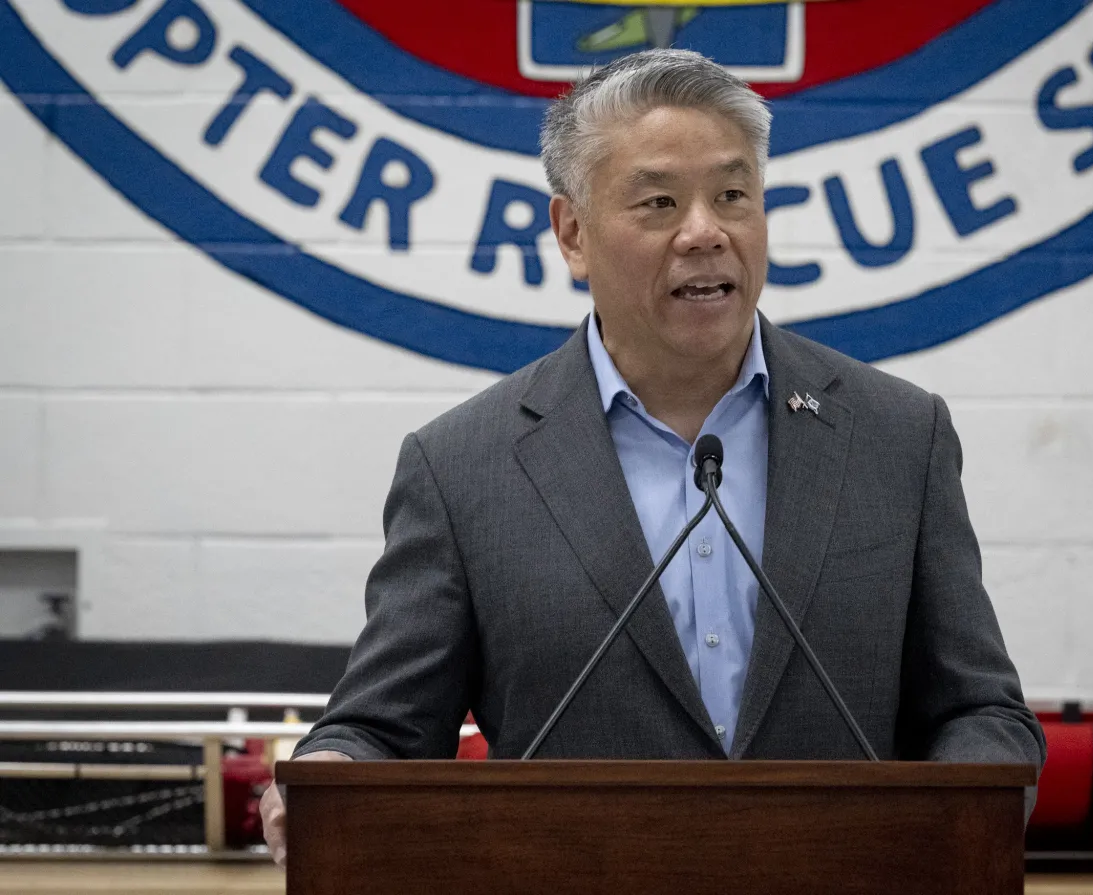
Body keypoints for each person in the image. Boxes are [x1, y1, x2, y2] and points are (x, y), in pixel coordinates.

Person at [261, 48, 1045, 866]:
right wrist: (328, 776)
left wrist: (954, 818)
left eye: (733, 196)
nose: (705, 232)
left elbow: (980, 708)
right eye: (660, 201)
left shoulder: (897, 435)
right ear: (573, 233)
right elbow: (385, 727)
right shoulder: (463, 468)